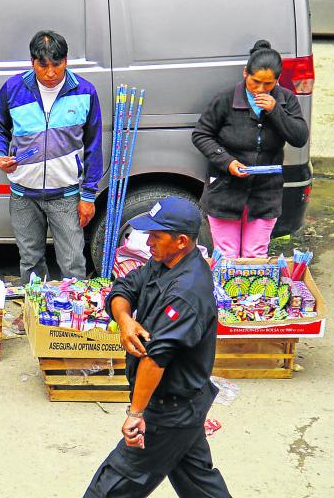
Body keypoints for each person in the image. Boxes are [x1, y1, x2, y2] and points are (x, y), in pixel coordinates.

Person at [84, 197, 230, 498]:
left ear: (181, 241)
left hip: (168, 411)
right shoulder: (162, 262)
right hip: (184, 406)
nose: (147, 242)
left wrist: (136, 414)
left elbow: (156, 358)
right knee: (199, 483)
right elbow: (125, 286)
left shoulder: (187, 293)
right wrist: (124, 320)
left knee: (110, 489)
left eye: (156, 236)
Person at [0, 30, 102, 292]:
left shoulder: (84, 92)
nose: (50, 73)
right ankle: (34, 316)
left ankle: (73, 321)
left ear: (66, 61)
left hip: (66, 194)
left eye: (57, 64)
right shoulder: (13, 89)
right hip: (23, 194)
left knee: (73, 263)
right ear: (32, 63)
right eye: (43, 65)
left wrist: (88, 196)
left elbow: (94, 147)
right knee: (30, 262)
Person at [192, 39, 309, 258]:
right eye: (255, 82)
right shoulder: (224, 100)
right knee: (227, 256)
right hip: (225, 190)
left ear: (277, 80)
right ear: (245, 73)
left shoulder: (286, 100)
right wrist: (227, 162)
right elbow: (201, 134)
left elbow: (299, 138)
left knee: (255, 255)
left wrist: (276, 111)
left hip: (266, 193)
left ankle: (251, 294)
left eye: (268, 84)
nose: (260, 89)